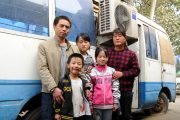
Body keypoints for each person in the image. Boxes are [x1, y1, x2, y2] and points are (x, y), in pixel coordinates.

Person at [38, 15, 79, 120]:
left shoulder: (74, 49)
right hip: (49, 92)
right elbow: (42, 68)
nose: (64, 29)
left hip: (69, 92)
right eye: (61, 26)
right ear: (54, 26)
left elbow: (80, 69)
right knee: (47, 117)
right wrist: (53, 88)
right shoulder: (44, 46)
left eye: (67, 27)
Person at [107, 27, 140, 120]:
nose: (117, 38)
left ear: (125, 38)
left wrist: (122, 74)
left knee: (126, 116)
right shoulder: (108, 52)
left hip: (126, 90)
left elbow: (136, 70)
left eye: (120, 36)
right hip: (110, 91)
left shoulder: (131, 54)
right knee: (112, 116)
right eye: (115, 36)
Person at [54, 53, 91, 120]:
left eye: (79, 64)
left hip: (81, 114)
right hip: (67, 115)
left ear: (82, 66)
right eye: (73, 63)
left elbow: (88, 85)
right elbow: (58, 100)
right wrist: (57, 113)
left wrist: (88, 89)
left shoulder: (83, 81)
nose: (76, 66)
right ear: (68, 65)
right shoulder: (62, 81)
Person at [89, 46, 120, 120]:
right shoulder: (92, 72)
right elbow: (90, 89)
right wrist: (90, 103)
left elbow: (115, 87)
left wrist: (115, 102)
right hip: (96, 105)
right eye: (100, 56)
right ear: (96, 57)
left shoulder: (112, 71)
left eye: (104, 57)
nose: (102, 59)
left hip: (109, 105)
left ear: (108, 58)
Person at [76, 33, 94, 120]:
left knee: (87, 109)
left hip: (88, 87)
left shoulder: (90, 58)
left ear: (89, 44)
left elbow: (93, 71)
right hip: (77, 86)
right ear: (77, 43)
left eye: (86, 42)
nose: (83, 44)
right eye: (81, 42)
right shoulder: (75, 56)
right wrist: (86, 71)